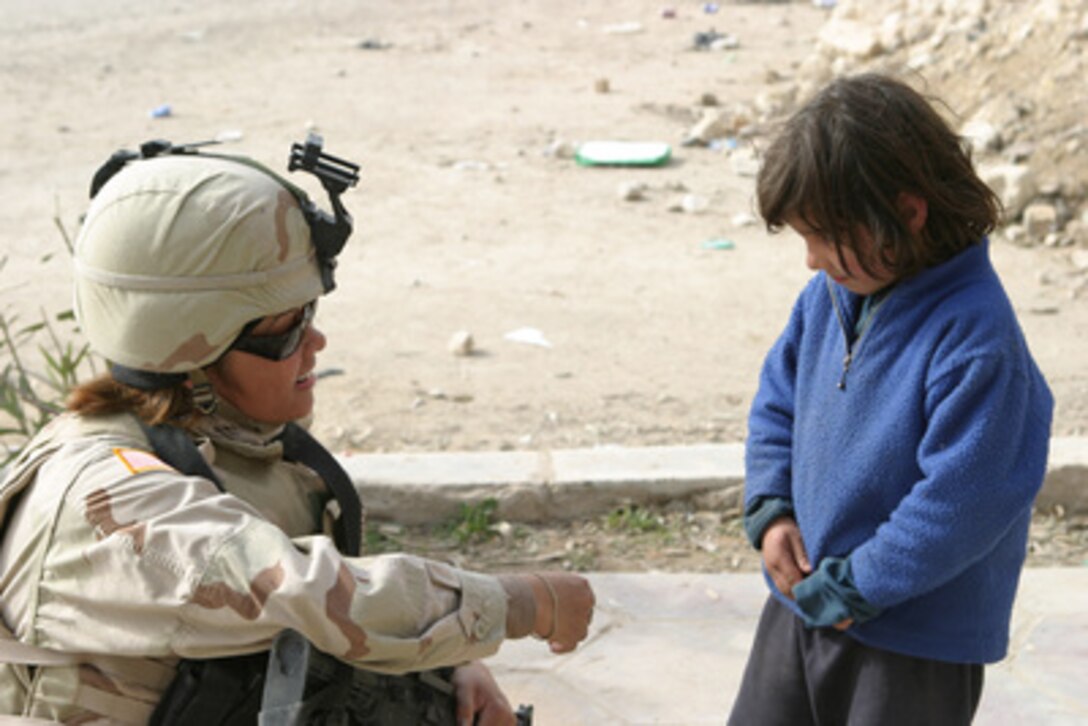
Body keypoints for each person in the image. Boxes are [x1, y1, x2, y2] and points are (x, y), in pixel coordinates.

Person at [0, 136, 595, 725]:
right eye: (286, 328)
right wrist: (523, 603)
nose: (315, 343)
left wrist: (446, 665)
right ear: (199, 350)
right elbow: (314, 595)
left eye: (311, 314)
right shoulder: (115, 502)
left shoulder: (220, 443)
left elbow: (298, 635)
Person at [729, 73, 1054, 725]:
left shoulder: (977, 339)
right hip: (805, 605)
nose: (812, 260)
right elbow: (777, 404)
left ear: (907, 214)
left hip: (913, 643)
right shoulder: (829, 298)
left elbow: (962, 500)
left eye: (825, 235)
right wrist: (773, 511)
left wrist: (860, 584)